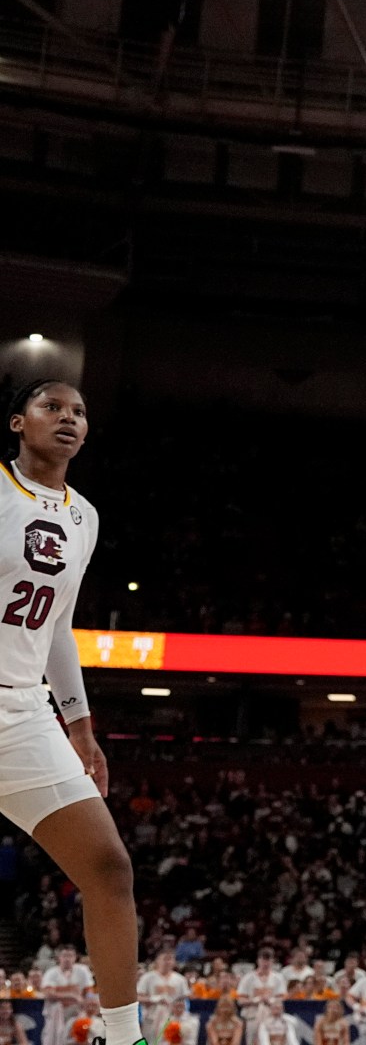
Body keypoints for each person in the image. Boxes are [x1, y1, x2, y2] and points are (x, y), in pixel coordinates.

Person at [7, 385, 141, 1045]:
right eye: (52, 406)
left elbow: (60, 627)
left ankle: (123, 1037)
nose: (68, 418)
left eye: (80, 411)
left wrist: (81, 727)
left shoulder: (82, 516)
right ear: (17, 422)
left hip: (22, 713)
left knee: (108, 869)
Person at [137, 954, 186, 1045]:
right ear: (157, 961)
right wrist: (153, 999)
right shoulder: (147, 977)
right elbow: (138, 997)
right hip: (151, 1017)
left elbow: (184, 1000)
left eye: (170, 959)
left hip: (172, 1018)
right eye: (165, 959)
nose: (167, 962)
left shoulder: (180, 979)